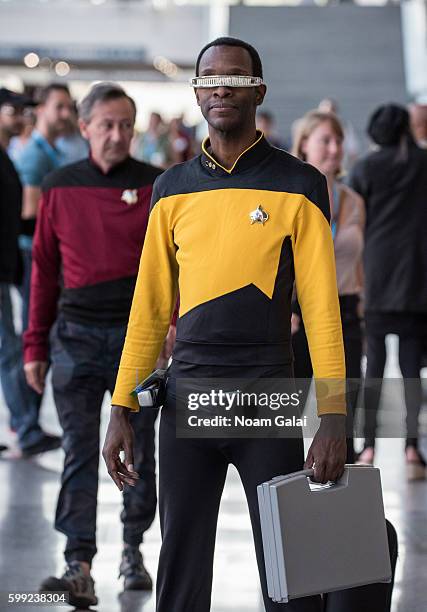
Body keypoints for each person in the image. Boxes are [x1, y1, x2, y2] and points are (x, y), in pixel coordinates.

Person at [103, 37, 347, 612]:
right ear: (196, 91)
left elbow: (321, 311)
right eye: (210, 79)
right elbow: (149, 309)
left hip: (268, 399)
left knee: (293, 579)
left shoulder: (300, 184)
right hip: (188, 401)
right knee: (180, 577)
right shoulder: (170, 190)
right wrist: (121, 409)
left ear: (258, 90)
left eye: (235, 79)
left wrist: (334, 414)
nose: (221, 88)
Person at [23, 83, 169, 608]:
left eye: (126, 125)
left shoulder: (158, 186)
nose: (117, 134)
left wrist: (171, 327)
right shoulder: (59, 187)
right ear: (83, 128)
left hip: (141, 340)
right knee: (79, 451)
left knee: (140, 453)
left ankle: (133, 549)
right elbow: (43, 270)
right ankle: (78, 561)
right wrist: (34, 346)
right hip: (76, 337)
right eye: (106, 124)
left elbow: (175, 265)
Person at [349, 104, 427, 480]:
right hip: (417, 276)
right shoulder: (424, 162)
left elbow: (358, 223)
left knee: (374, 370)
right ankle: (413, 449)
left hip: (378, 277)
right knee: (411, 369)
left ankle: (368, 447)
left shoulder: (365, 168)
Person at [291, 110, 365, 463]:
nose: (334, 149)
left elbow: (357, 261)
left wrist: (363, 302)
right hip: (297, 316)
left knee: (342, 420)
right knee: (285, 422)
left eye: (338, 141)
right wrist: (288, 308)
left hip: (345, 314)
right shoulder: (290, 197)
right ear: (304, 145)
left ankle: (342, 513)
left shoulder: (353, 200)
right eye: (325, 140)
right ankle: (283, 510)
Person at [0, 87, 59, 457]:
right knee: (9, 348)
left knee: (10, 346)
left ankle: (25, 426)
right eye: (14, 110)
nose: (22, 116)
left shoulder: (8, 156)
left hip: (8, 266)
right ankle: (26, 427)